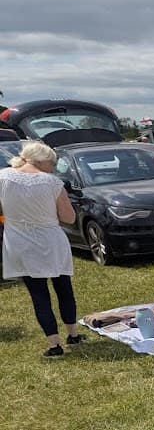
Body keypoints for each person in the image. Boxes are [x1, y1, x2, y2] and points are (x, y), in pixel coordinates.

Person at [0, 141, 83, 357]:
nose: (54, 167)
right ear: (43, 161)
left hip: (20, 240)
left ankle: (54, 344)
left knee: (39, 295)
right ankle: (72, 333)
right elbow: (69, 217)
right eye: (52, 163)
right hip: (50, 239)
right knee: (63, 287)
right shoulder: (52, 183)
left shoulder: (2, 177)